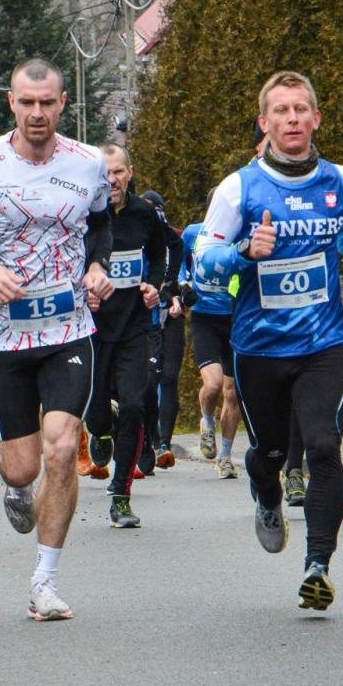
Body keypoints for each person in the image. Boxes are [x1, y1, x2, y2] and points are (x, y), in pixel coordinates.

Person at [0, 57, 113, 621]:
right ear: (11, 102)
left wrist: (99, 264)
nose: (37, 113)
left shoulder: (88, 164)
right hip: (4, 335)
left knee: (62, 449)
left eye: (48, 103)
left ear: (62, 104)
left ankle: (45, 582)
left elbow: (101, 220)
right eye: (27, 103)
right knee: (22, 467)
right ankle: (12, 487)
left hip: (69, 328)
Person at [195, 69, 343, 611]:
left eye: (301, 109)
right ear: (265, 122)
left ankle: (317, 565)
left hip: (323, 344)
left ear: (316, 118)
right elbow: (203, 259)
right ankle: (266, 494)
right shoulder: (239, 188)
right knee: (268, 453)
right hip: (257, 350)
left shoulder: (339, 180)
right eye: (281, 111)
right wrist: (244, 251)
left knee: (323, 447)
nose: (292, 118)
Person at [76, 143, 168, 527]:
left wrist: (154, 284)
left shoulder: (145, 215)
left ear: (129, 173)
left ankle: (121, 495)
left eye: (118, 172)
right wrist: (82, 295)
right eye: (105, 173)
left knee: (134, 404)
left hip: (133, 328)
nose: (111, 180)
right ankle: (100, 431)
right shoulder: (82, 215)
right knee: (96, 412)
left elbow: (164, 253)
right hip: (92, 330)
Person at [183, 195, 242, 479]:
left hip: (236, 319)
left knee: (233, 393)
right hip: (205, 318)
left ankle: (226, 457)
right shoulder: (193, 233)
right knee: (214, 384)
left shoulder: (243, 237)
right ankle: (207, 421)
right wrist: (183, 287)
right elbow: (180, 266)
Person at [137, 189, 184, 474]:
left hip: (169, 314)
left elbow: (179, 252)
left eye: (158, 210)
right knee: (143, 384)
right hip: (137, 318)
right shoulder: (131, 231)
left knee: (166, 377)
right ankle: (148, 441)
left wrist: (171, 287)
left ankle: (162, 442)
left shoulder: (173, 235)